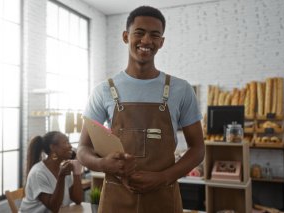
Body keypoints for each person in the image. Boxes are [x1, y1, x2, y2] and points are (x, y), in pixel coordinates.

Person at [77, 5, 205, 213]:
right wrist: (102, 165)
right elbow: (83, 149)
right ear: (126, 36)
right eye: (140, 33)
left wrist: (163, 177)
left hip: (163, 198)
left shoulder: (181, 90)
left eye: (155, 35)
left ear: (161, 42)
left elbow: (198, 149)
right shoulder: (103, 91)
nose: (146, 40)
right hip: (115, 200)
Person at [19, 131, 83, 213]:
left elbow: (77, 199)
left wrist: (76, 171)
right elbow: (54, 208)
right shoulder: (38, 173)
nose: (70, 146)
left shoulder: (63, 169)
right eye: (66, 142)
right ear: (53, 147)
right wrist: (61, 177)